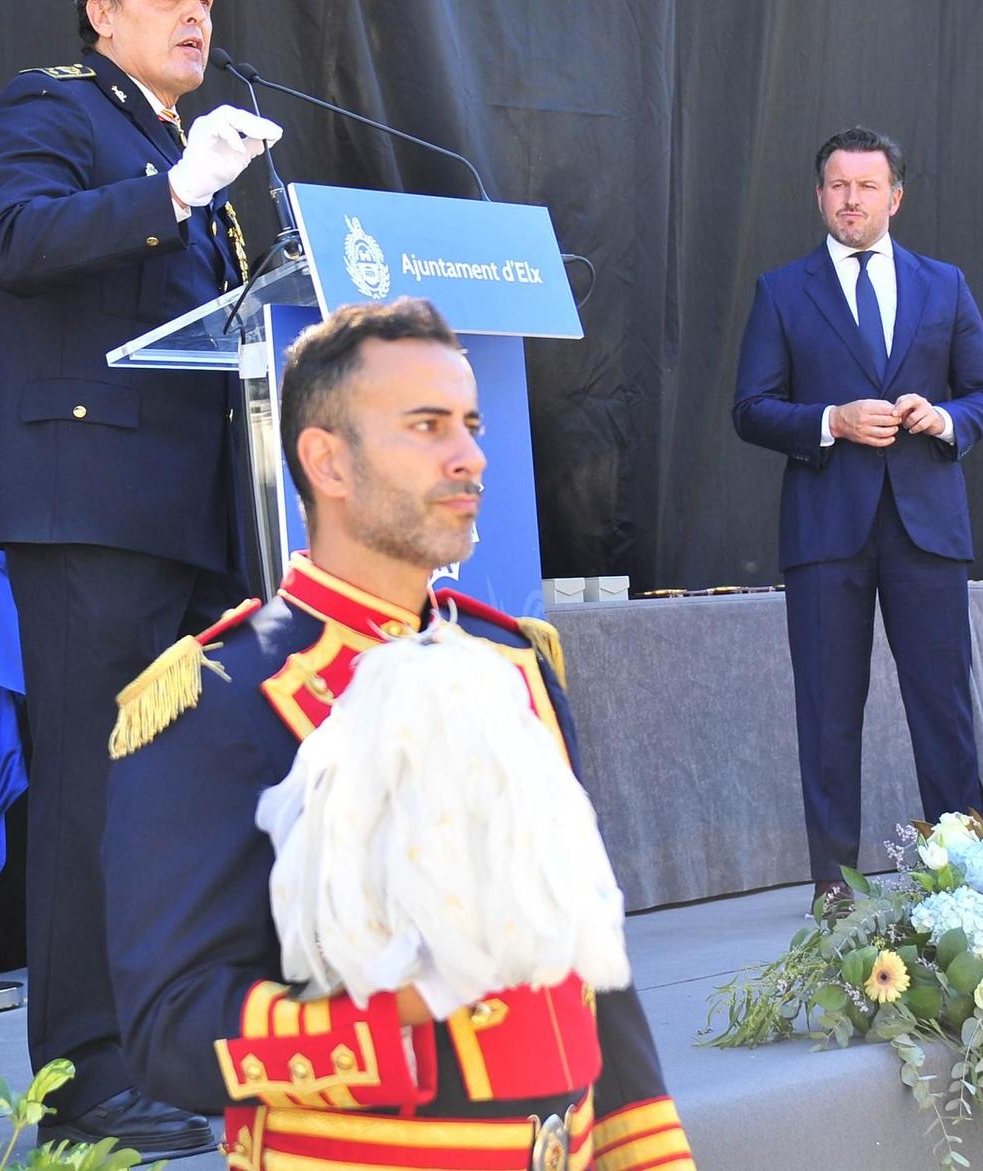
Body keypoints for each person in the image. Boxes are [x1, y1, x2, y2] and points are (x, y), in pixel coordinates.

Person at [101, 299, 696, 1170]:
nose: (470, 456)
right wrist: (402, 1020)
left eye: (470, 424)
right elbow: (170, 1026)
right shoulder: (219, 697)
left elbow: (589, 967)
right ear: (327, 460)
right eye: (426, 426)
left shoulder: (514, 661)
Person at [0, 0, 282, 1154]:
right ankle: (86, 1077)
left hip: (191, 516)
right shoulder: (49, 108)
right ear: (102, 14)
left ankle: (162, 1048)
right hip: (91, 507)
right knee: (97, 803)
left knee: (168, 803)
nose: (195, 12)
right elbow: (16, 237)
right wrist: (174, 188)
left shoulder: (183, 147)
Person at [733, 127, 983, 912]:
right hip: (826, 529)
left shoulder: (945, 285)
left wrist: (945, 416)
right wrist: (831, 421)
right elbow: (751, 409)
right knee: (827, 707)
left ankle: (969, 874)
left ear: (896, 195)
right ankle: (833, 880)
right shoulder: (782, 290)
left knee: (943, 705)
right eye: (837, 185)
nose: (851, 198)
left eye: (866, 185)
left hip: (927, 525)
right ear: (819, 195)